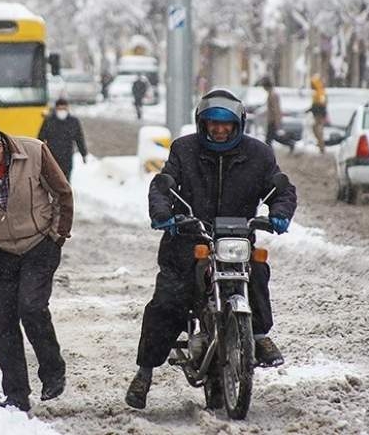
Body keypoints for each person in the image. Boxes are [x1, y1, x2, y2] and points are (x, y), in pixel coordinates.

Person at [125, 89, 297, 410]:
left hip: (236, 239)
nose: (219, 130)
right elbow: (165, 184)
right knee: (169, 300)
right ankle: (144, 372)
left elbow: (280, 187)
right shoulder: (184, 150)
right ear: (201, 123)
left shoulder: (259, 154)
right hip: (188, 241)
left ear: (238, 124)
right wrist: (164, 214)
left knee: (257, 270)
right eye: (212, 124)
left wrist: (280, 213)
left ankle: (257, 336)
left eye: (226, 124)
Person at [0, 120, 74, 412]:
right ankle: (16, 395)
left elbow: (62, 193)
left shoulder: (34, 152)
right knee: (3, 321)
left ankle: (52, 371)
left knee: (31, 307)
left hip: (38, 244)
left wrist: (57, 236)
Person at [37, 98, 88, 182]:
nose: (62, 111)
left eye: (64, 109)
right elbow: (40, 138)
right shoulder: (49, 121)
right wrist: (39, 153)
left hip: (67, 156)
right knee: (53, 180)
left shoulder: (73, 122)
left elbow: (79, 138)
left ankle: (65, 194)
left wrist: (83, 154)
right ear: (56, 109)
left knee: (65, 180)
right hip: (52, 156)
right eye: (60, 109)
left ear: (67, 109)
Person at [260, 76, 296, 153]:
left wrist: (277, 122)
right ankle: (290, 144)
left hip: (273, 120)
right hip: (272, 120)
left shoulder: (273, 94)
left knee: (269, 140)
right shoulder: (271, 94)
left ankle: (269, 155)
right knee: (274, 138)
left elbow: (276, 110)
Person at [309, 74, 328, 154]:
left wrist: (314, 109)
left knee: (317, 129)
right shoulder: (318, 92)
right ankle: (321, 144)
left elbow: (321, 104)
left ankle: (321, 145)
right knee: (316, 129)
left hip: (319, 115)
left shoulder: (320, 92)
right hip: (318, 114)